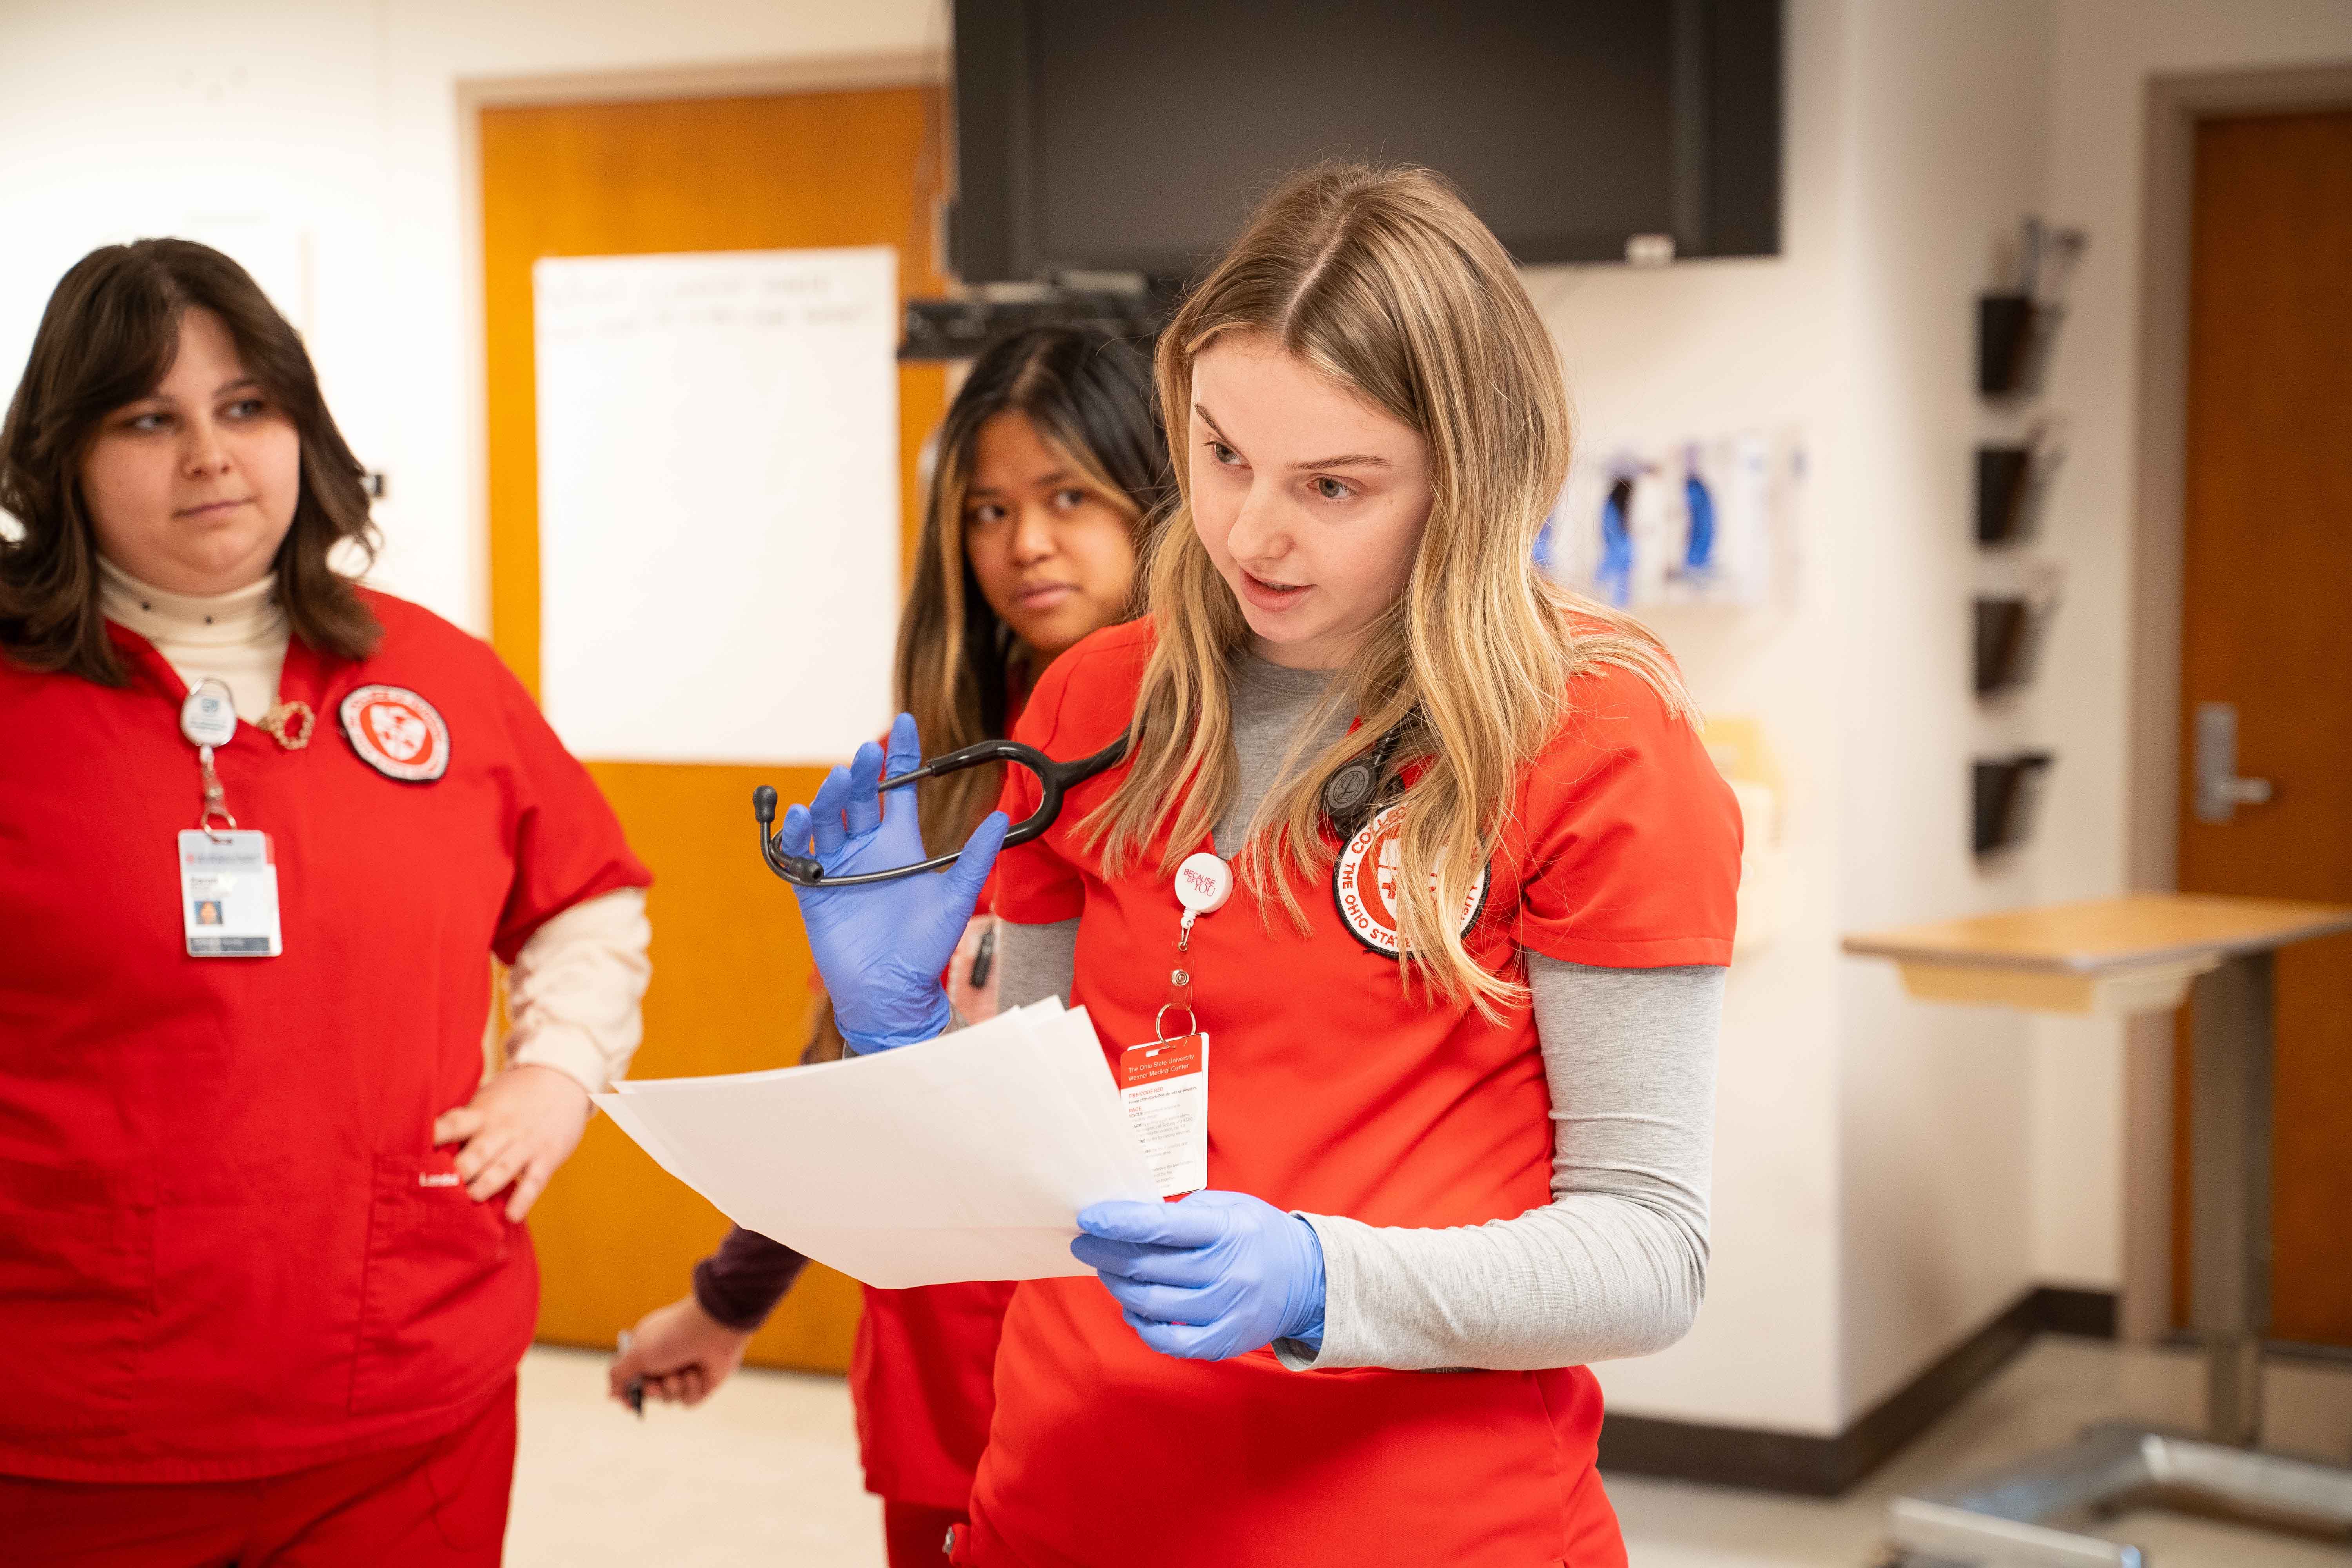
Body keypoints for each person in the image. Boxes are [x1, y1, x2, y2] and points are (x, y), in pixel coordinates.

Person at [771, 163, 1742, 1566]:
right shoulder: (1100, 704)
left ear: (1471, 482)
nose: (1250, 533)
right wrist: (910, 1041)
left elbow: (1652, 1254)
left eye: (1333, 485)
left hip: (1418, 1531)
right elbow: (1037, 1177)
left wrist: (1320, 1278)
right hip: (1065, 1502)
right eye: (1222, 456)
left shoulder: (1594, 743)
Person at [0, 240, 652, 1563]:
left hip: (407, 1396)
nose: (210, 456)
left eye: (247, 407)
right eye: (148, 419)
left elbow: (586, 893)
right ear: (63, 456)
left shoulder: (435, 675)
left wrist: (560, 1073)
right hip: (75, 1427)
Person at [606, 326, 1169, 1566]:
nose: (1024, 543)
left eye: (1069, 496)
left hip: (1153, 1354)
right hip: (945, 1358)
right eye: (989, 508)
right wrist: (725, 1303)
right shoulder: (938, 775)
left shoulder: (1208, 770)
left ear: (1161, 496)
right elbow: (854, 1077)